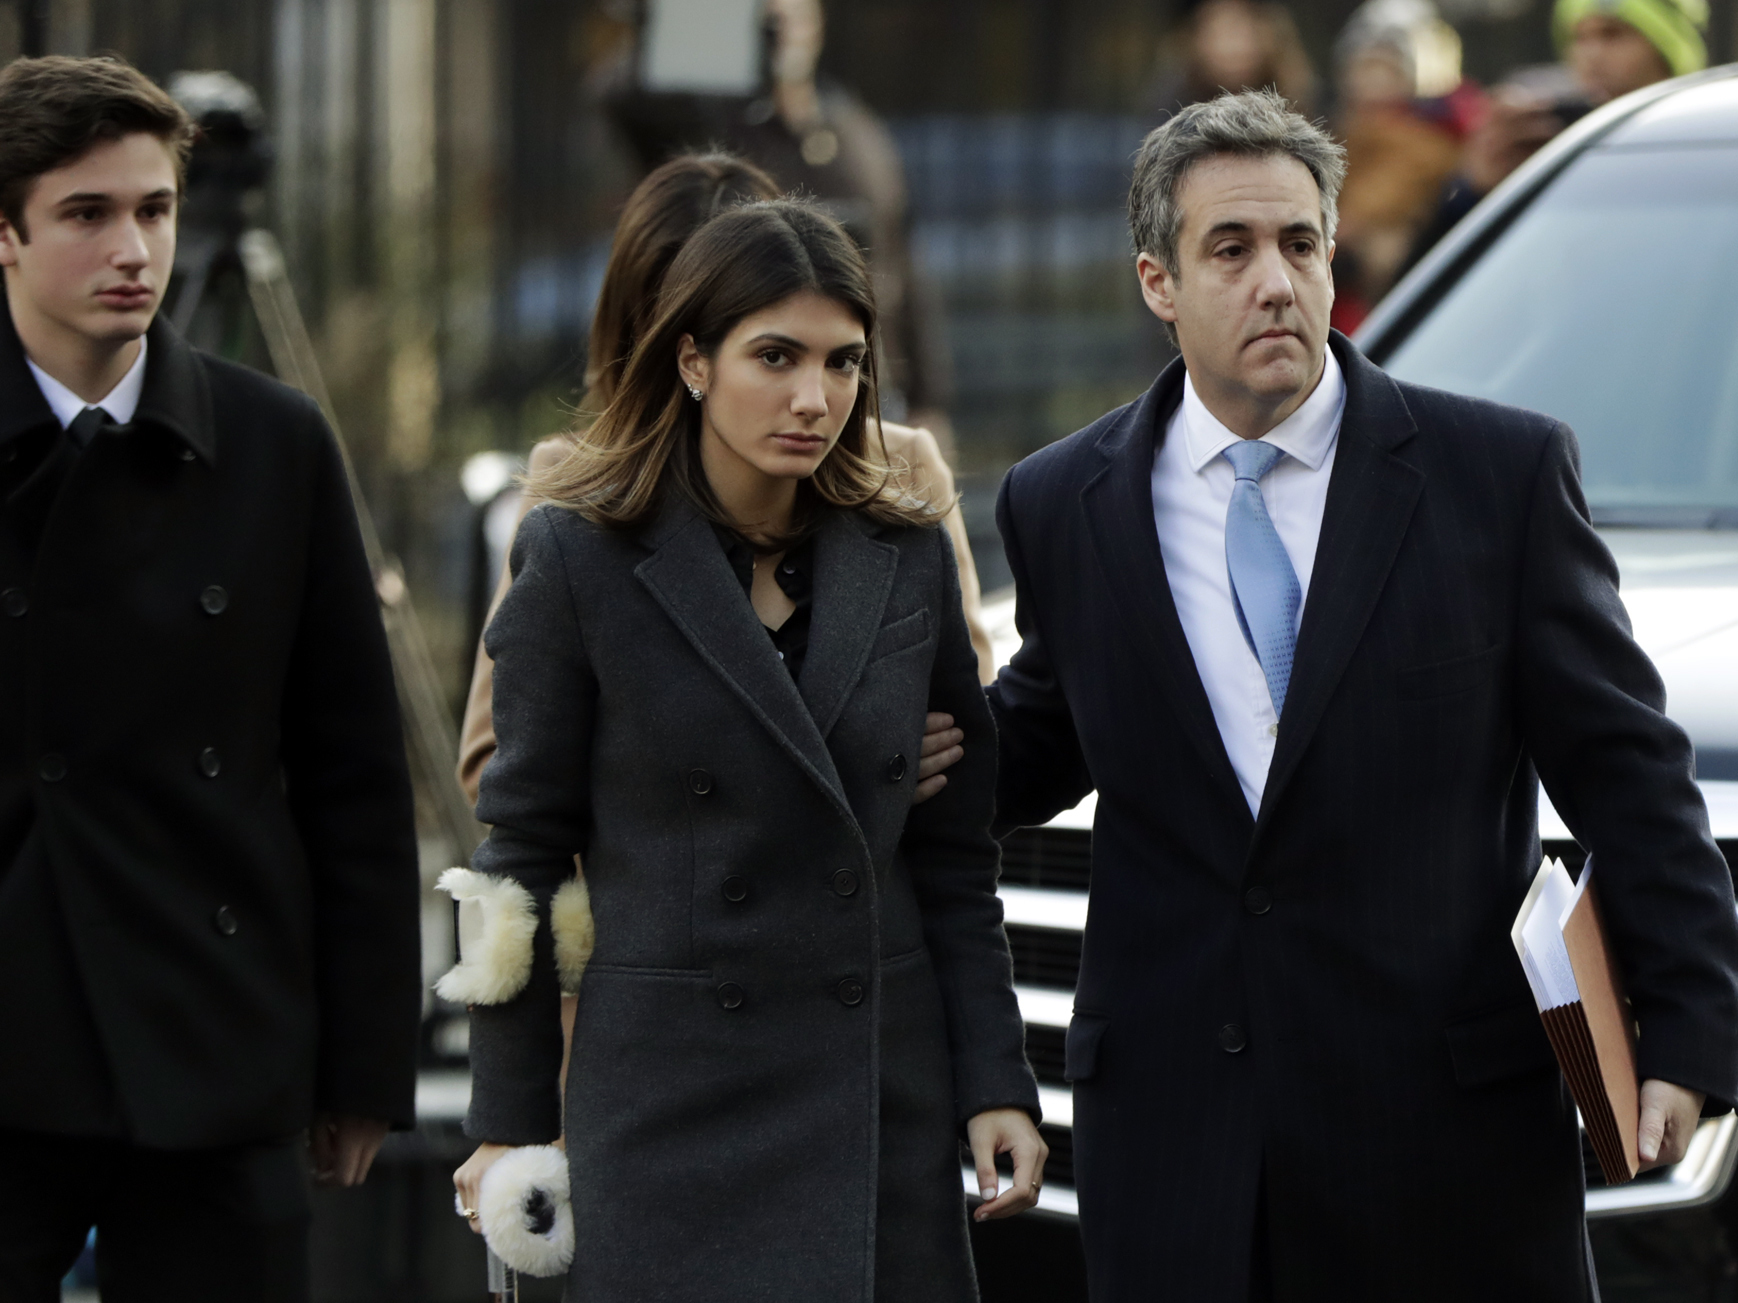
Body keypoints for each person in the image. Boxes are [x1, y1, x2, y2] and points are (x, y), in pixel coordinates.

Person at [986, 89, 1738, 1299]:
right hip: (1178, 1161)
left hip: (1447, 1159)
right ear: (1156, 283)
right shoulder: (1063, 503)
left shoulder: (1496, 477)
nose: (1275, 280)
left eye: (1299, 242)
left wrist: (1692, 1030)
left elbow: (1631, 779)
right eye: (1229, 249)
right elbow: (1035, 738)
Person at [449, 198, 1044, 1301]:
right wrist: (509, 1122)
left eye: (843, 362)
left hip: (873, 1088)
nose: (813, 398)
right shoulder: (579, 555)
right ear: (691, 360)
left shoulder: (901, 552)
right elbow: (516, 857)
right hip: (668, 1101)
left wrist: (993, 1081)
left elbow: (956, 864)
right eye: (775, 356)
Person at [0, 55, 421, 1301]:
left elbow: (353, 773)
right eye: (87, 214)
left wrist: (359, 1066)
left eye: (155, 209)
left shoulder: (273, 440)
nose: (135, 246)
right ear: (4, 238)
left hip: (213, 1034)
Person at [457, 153, 992, 808]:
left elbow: (962, 728)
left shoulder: (901, 467)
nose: (806, 396)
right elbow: (499, 762)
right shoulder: (577, 488)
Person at [1404, 0, 1706, 273]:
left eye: (1613, 34)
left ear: (1666, 47)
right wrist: (1474, 192)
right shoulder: (1553, 145)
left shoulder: (1707, 153)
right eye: (1579, 38)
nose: (1592, 54)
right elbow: (1421, 291)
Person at [1141, 0, 1318, 122]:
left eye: (1243, 29)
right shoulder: (1171, 104)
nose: (1233, 45)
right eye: (1219, 29)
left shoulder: (1299, 98)